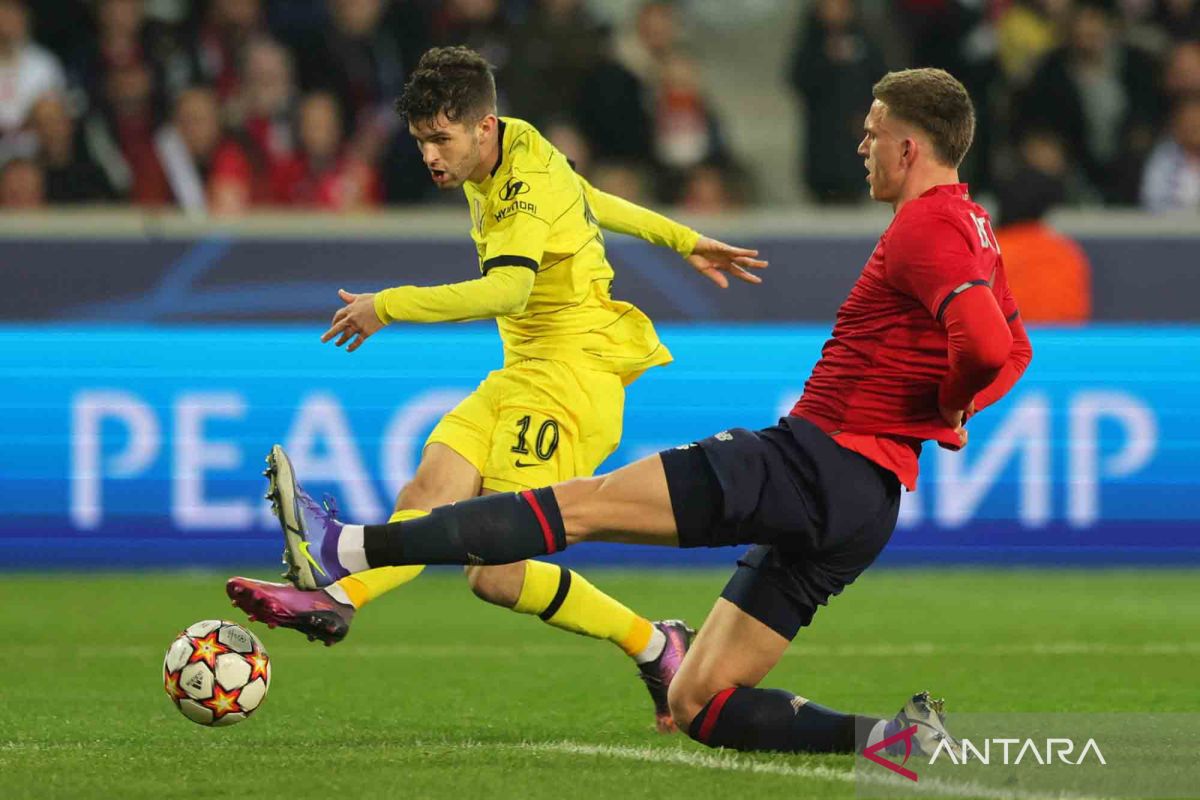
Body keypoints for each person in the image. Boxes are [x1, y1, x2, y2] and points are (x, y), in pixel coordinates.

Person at [254, 67, 1032, 755]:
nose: (860, 147)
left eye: (871, 135)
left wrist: (953, 399)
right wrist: (950, 412)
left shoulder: (927, 226)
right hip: (866, 503)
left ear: (907, 148)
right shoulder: (975, 228)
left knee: (574, 511)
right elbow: (1015, 352)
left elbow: (990, 350)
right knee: (699, 703)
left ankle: (350, 548)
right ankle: (895, 741)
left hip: (810, 462)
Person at [226, 46, 765, 733]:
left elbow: (509, 287)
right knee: (424, 499)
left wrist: (386, 306)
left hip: (573, 380)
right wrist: (683, 237)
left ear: (483, 127)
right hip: (522, 372)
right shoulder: (521, 142)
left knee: (495, 573)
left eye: (441, 139)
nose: (430, 156)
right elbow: (590, 200)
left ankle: (659, 647)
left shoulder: (522, 185)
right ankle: (341, 597)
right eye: (421, 140)